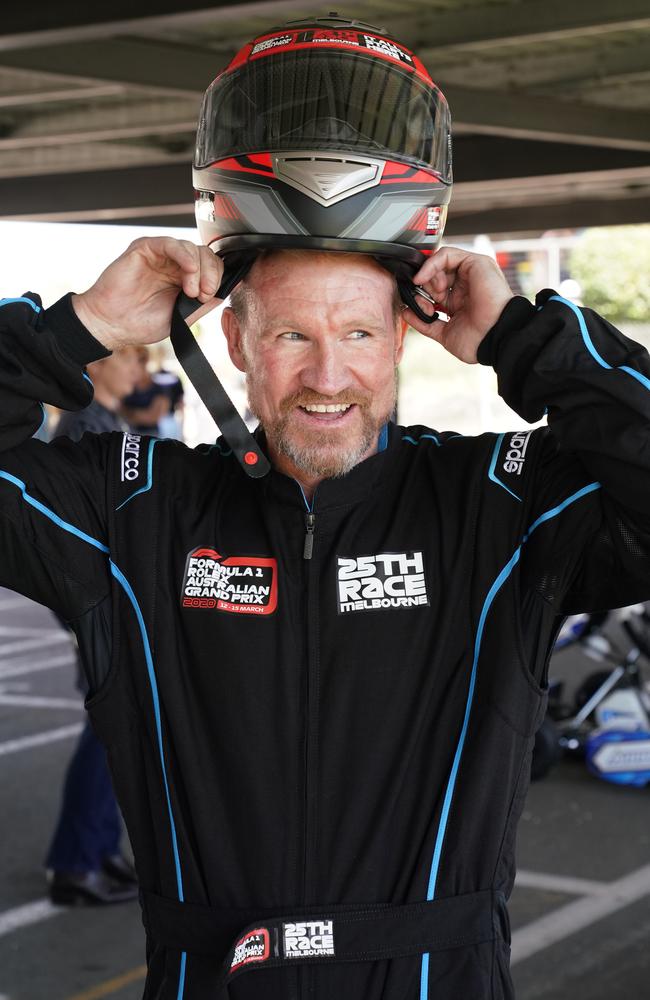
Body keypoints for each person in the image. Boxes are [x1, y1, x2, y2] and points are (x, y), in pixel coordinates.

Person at [1, 17, 650, 1000]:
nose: (325, 374)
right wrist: (76, 329)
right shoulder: (131, 509)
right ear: (234, 345)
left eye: (356, 330)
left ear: (405, 337)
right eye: (290, 334)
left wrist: (530, 342)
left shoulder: (500, 504)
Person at [46, 348, 140, 905]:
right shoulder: (83, 429)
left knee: (117, 734)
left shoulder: (107, 422)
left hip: (110, 600)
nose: (136, 368)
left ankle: (100, 850)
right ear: (95, 366)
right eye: (125, 357)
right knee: (106, 733)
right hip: (95, 602)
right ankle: (74, 865)